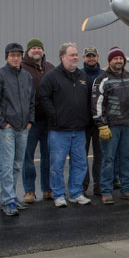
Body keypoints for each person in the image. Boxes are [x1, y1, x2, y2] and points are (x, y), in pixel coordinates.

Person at [38, 43, 93, 208]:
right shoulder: (52, 76)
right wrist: (54, 116)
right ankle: (59, 194)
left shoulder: (82, 76)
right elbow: (43, 97)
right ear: (62, 57)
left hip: (79, 129)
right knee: (57, 164)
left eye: (76, 55)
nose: (75, 57)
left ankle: (76, 193)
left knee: (80, 163)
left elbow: (89, 98)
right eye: (72, 55)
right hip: (59, 130)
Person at [93, 46, 129, 204]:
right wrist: (102, 125)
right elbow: (96, 105)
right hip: (110, 127)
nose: (118, 61)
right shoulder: (102, 80)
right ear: (110, 61)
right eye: (115, 58)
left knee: (127, 159)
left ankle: (127, 189)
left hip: (127, 126)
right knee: (108, 159)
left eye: (120, 58)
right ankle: (106, 191)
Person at [0, 42, 35, 216]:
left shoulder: (26, 76)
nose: (16, 58)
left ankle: (12, 197)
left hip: (23, 127)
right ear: (7, 57)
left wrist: (30, 120)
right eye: (12, 55)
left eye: (18, 55)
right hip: (6, 128)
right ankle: (7, 201)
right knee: (6, 166)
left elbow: (31, 100)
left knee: (17, 165)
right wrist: (2, 123)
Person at [21, 39, 55, 203]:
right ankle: (29, 190)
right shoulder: (21, 68)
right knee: (27, 156)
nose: (36, 50)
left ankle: (47, 189)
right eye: (33, 48)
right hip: (30, 122)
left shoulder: (50, 67)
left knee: (48, 156)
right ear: (28, 51)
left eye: (39, 48)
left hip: (48, 121)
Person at [81, 46, 103, 196]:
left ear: (97, 57)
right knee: (81, 156)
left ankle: (99, 184)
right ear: (84, 58)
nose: (91, 58)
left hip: (100, 123)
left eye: (93, 56)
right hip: (83, 123)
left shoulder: (103, 75)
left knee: (100, 155)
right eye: (88, 56)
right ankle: (82, 185)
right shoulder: (78, 75)